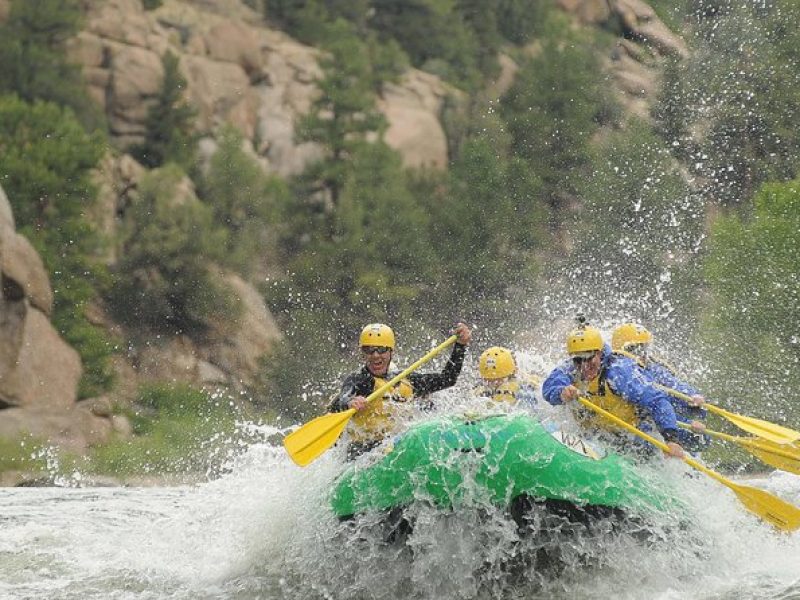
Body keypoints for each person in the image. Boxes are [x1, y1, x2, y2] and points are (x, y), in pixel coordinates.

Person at [542, 318, 686, 458]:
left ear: (598, 353)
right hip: (596, 434)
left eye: (589, 358)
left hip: (632, 437)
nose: (584, 365)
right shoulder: (571, 368)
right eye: (578, 360)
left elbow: (657, 401)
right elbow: (549, 387)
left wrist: (671, 439)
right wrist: (561, 393)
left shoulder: (620, 372)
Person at [329, 322, 472, 458]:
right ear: (363, 354)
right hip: (362, 452)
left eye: (381, 349)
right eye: (369, 350)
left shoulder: (406, 380)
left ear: (391, 352)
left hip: (394, 447)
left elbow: (447, 379)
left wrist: (460, 346)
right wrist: (351, 401)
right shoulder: (360, 380)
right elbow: (344, 398)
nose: (375, 355)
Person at [611, 322, 710, 452]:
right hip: (619, 428)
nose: (642, 354)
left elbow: (675, 386)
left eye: (644, 349)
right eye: (635, 350)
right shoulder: (614, 372)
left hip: (649, 426)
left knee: (699, 437)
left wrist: (693, 396)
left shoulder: (654, 370)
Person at [473, 346, 540, 409]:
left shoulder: (523, 389)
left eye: (497, 380)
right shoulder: (481, 388)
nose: (492, 384)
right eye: (488, 380)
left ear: (510, 376)